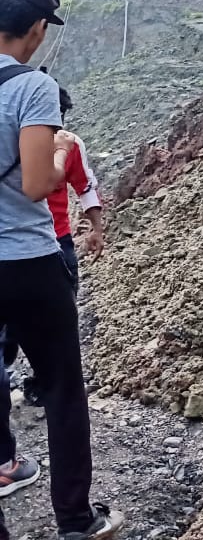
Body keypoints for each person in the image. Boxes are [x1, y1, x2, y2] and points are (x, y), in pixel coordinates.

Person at [0, 0, 124, 540]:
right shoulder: (32, 86)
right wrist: (58, 154)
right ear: (37, 29)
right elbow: (35, 183)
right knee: (63, 392)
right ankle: (76, 519)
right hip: (26, 260)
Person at [3, 84, 105, 409]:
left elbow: (84, 185)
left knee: (57, 320)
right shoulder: (17, 141)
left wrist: (96, 228)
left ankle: (43, 383)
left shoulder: (72, 146)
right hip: (19, 246)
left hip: (57, 243)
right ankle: (8, 371)